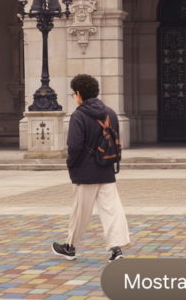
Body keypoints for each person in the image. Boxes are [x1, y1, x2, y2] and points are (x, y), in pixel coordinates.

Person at [52, 74, 130, 262]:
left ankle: (70, 246)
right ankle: (116, 249)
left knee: (80, 212)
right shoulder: (110, 113)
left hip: (85, 171)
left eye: (74, 93)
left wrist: (71, 165)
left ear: (79, 93)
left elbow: (75, 145)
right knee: (111, 210)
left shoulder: (79, 115)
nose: (74, 97)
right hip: (107, 168)